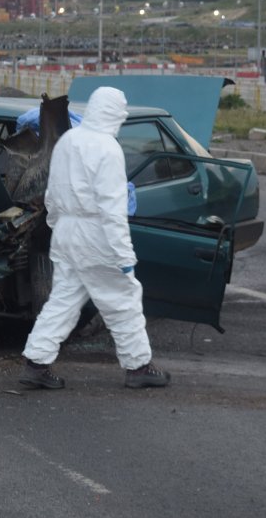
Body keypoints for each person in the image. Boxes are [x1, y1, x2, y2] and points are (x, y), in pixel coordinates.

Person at [20, 86, 170, 390]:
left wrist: (57, 226)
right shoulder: (108, 148)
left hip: (66, 232)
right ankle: (138, 366)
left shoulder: (68, 141)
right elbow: (112, 210)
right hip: (96, 235)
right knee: (122, 300)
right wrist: (124, 256)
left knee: (62, 301)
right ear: (115, 114)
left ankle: (36, 363)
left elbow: (52, 193)